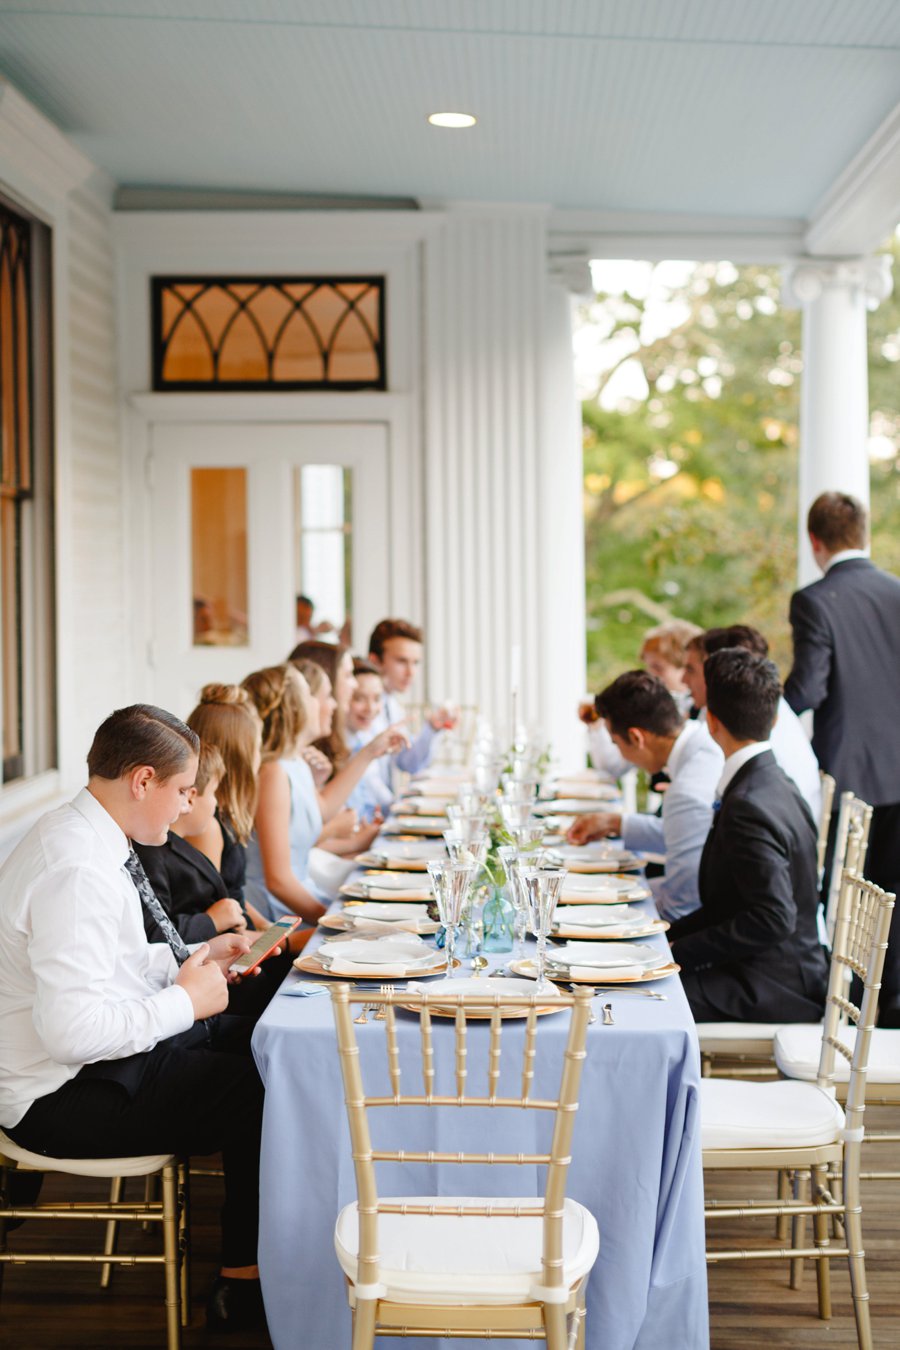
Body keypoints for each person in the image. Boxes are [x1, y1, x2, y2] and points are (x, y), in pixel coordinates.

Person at [0, 704, 268, 1330]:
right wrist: (185, 1002)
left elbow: (109, 964)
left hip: (90, 1064)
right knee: (257, 1085)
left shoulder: (86, 834)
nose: (185, 807)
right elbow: (71, 1034)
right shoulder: (77, 866)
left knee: (263, 1041)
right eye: (181, 790)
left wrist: (193, 959)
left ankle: (257, 1261)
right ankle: (241, 1282)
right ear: (142, 781)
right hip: (56, 1096)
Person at [784, 490, 900, 1024]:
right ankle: (893, 1011)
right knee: (894, 898)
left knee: (847, 900)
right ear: (863, 535)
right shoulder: (896, 592)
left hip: (850, 777)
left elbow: (807, 688)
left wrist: (769, 714)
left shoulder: (815, 600)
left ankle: (851, 1014)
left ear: (815, 541)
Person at [668, 649, 828, 1024]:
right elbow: (734, 902)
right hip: (782, 967)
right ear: (773, 719)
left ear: (711, 722)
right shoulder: (778, 782)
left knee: (644, 1001)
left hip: (775, 984)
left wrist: (677, 952)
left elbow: (773, 917)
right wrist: (665, 938)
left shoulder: (748, 805)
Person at [566, 672, 722, 921]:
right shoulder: (700, 741)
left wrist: (600, 914)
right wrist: (614, 823)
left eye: (616, 744)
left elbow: (681, 904)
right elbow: (685, 833)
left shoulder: (687, 788)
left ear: (637, 738)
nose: (620, 753)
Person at [683, 625, 822, 823]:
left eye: (691, 669)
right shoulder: (769, 708)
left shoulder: (735, 722)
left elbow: (696, 813)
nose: (684, 680)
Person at [135, 739, 247, 943]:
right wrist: (211, 921)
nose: (216, 803)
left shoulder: (177, 844)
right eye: (214, 792)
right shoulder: (151, 852)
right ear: (190, 797)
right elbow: (155, 933)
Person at [366, 618, 457, 788]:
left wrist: (432, 728)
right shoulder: (362, 713)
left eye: (415, 663)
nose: (411, 672)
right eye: (401, 661)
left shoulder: (392, 705)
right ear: (375, 661)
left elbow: (409, 763)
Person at [344, 658, 395, 822]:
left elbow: (379, 792)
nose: (370, 708)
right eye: (359, 698)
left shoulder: (363, 737)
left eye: (377, 699)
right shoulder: (336, 747)